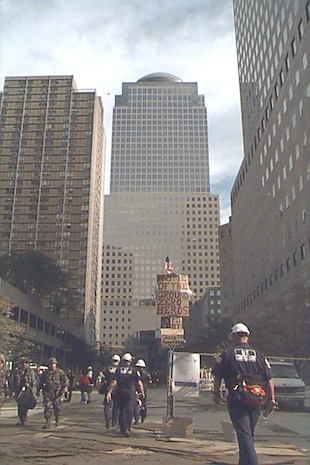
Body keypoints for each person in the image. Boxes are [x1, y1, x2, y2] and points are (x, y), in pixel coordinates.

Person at [212, 323, 276, 465]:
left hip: (237, 400)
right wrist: (271, 399)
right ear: (247, 337)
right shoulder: (259, 355)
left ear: (234, 337)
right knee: (248, 435)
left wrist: (215, 394)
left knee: (245, 436)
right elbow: (269, 377)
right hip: (256, 400)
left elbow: (217, 375)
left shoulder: (227, 353)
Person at [106, 352, 145, 437]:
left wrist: (109, 392)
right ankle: (127, 427)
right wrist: (142, 393)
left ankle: (122, 428)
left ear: (122, 360)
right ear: (130, 361)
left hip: (120, 392)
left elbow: (114, 382)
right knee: (129, 410)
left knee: (121, 410)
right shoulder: (134, 370)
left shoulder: (118, 370)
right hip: (130, 392)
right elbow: (139, 383)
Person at [41, 357, 69, 428]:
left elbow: (65, 380)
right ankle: (47, 422)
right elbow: (41, 382)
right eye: (51, 364)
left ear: (56, 365)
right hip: (47, 392)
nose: (52, 365)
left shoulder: (60, 372)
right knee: (47, 407)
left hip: (57, 393)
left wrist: (65, 388)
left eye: (53, 364)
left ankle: (57, 420)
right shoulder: (45, 373)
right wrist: (38, 390)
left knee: (57, 407)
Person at [13, 356, 37, 426]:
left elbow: (34, 381)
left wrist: (30, 387)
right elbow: (14, 381)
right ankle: (21, 419)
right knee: (20, 406)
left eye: (25, 363)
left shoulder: (30, 371)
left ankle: (24, 419)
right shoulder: (17, 371)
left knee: (25, 406)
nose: (23, 364)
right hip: (19, 391)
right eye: (22, 363)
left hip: (27, 390)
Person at [101, 354, 120, 428]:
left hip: (108, 388)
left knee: (107, 406)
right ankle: (114, 422)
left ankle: (107, 419)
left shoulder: (106, 369)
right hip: (118, 389)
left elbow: (100, 378)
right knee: (116, 406)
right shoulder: (120, 370)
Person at [133, 359, 151, 424]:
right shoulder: (146, 374)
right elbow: (150, 381)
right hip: (142, 390)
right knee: (142, 404)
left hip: (135, 389)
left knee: (136, 404)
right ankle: (142, 418)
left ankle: (137, 419)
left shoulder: (134, 372)